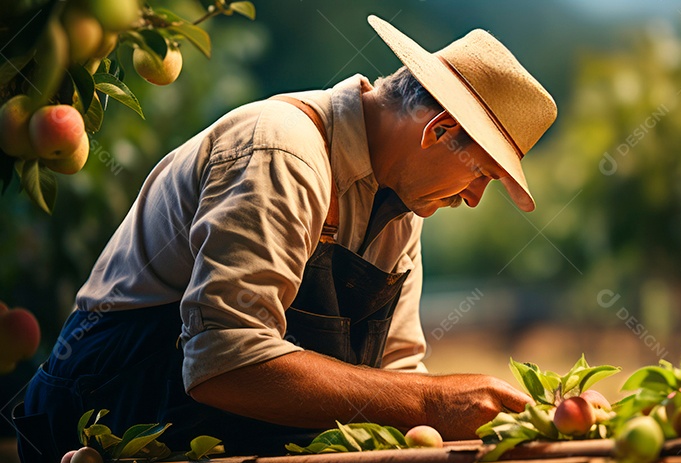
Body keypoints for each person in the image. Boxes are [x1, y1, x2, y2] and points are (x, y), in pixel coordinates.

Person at [13, 15, 557, 461]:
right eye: (481, 174)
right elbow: (222, 362)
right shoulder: (282, 152)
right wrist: (435, 401)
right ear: (437, 131)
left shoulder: (401, 210)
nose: (473, 198)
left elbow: (395, 381)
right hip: (101, 422)